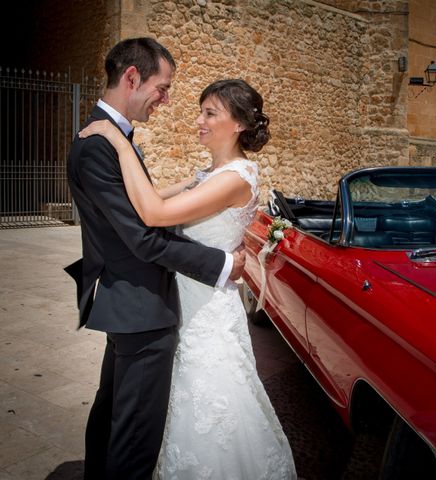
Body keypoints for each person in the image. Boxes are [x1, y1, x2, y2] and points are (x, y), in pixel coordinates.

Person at [79, 79, 297, 479]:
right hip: (182, 301)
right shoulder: (206, 174)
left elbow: (154, 216)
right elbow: (152, 198)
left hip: (208, 313)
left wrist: (118, 140)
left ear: (239, 124)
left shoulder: (238, 177)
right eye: (201, 111)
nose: (198, 120)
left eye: (209, 113)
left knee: (211, 406)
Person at [65, 38, 245, 480]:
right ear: (132, 78)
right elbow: (143, 239)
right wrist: (222, 264)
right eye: (162, 88)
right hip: (141, 308)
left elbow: (139, 213)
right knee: (134, 439)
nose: (166, 99)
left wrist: (183, 189)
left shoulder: (108, 138)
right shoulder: (99, 145)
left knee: (113, 418)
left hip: (129, 303)